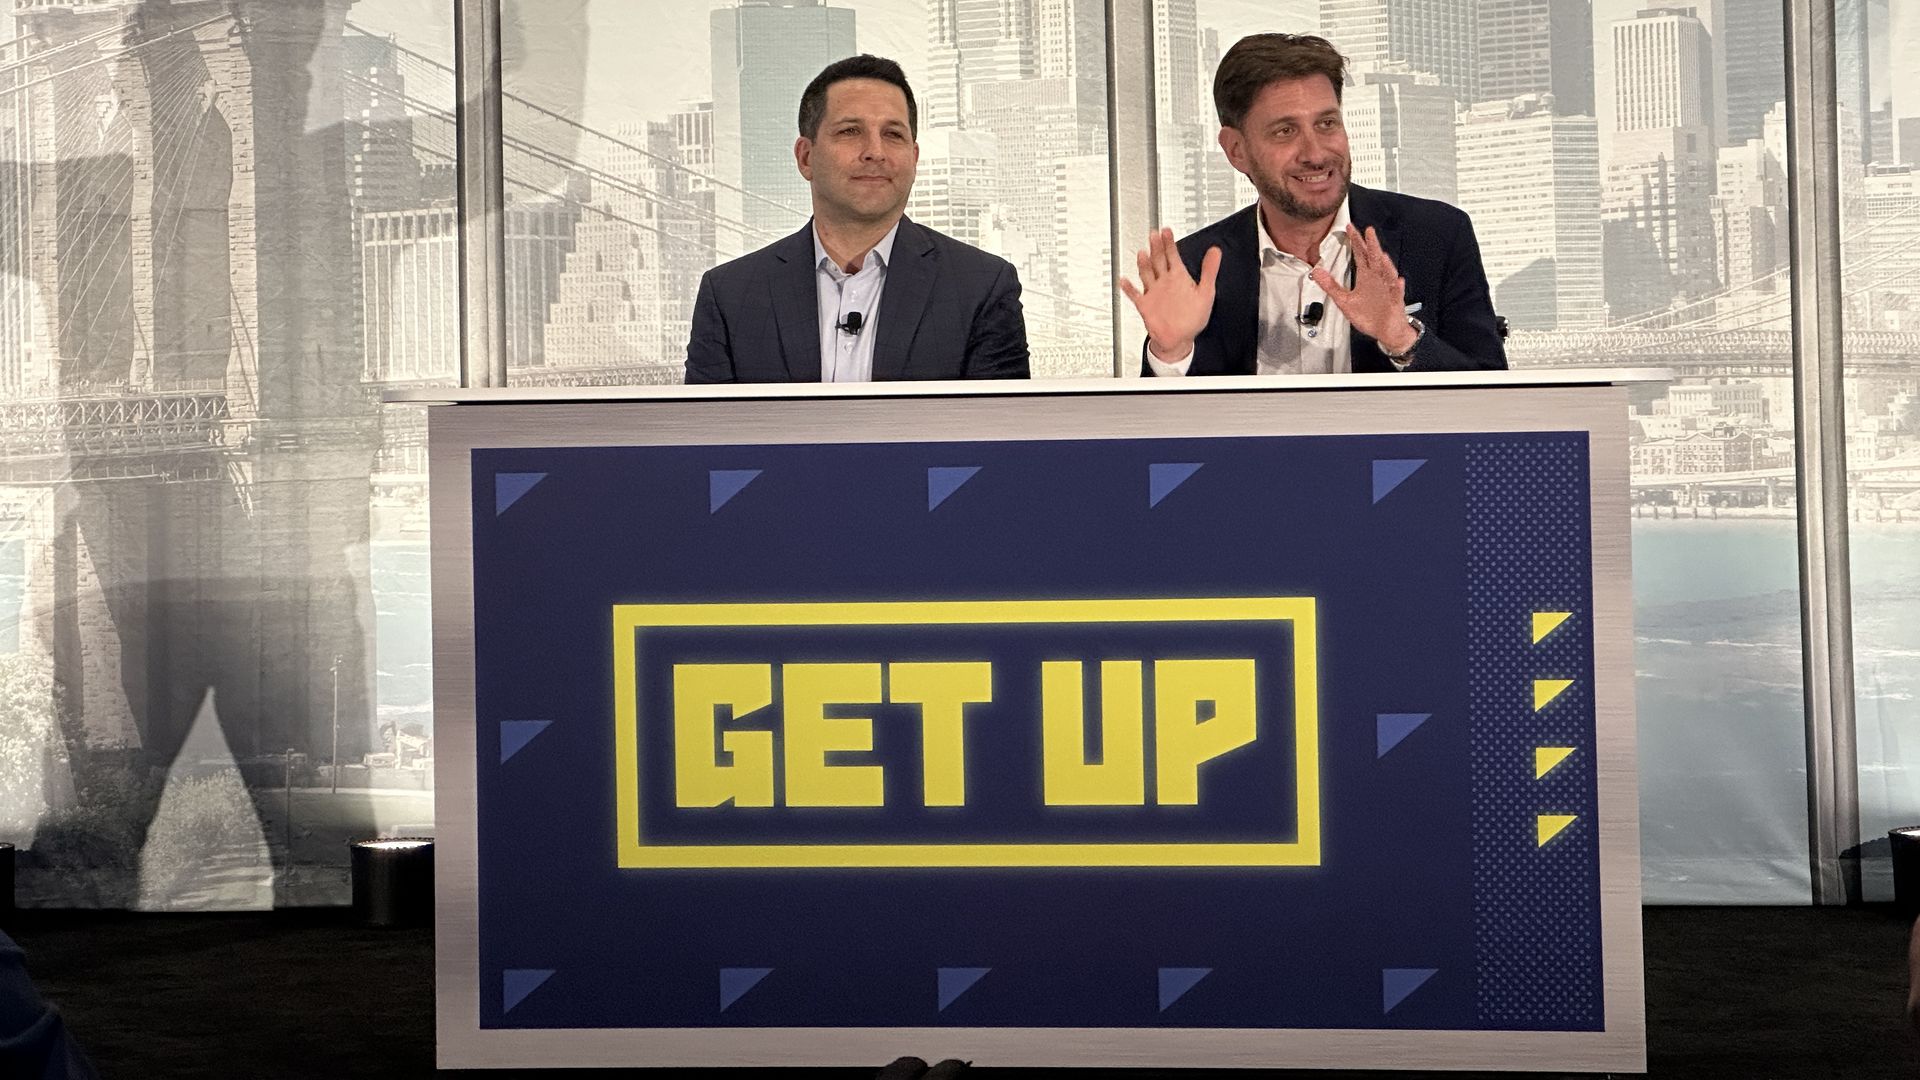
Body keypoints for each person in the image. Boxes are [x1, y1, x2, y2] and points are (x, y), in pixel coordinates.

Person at [1120, 33, 1507, 377]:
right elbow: (1161, 430)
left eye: (1326, 124)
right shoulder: (1196, 266)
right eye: (1285, 131)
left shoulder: (1436, 236)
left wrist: (1400, 337)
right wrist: (1171, 354)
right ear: (1236, 150)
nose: (1316, 153)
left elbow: (1490, 402)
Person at [686, 55, 1030, 383]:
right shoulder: (730, 295)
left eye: (893, 134)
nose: (875, 152)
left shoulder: (982, 288)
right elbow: (707, 425)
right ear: (805, 157)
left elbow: (999, 424)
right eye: (850, 131)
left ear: (913, 159)